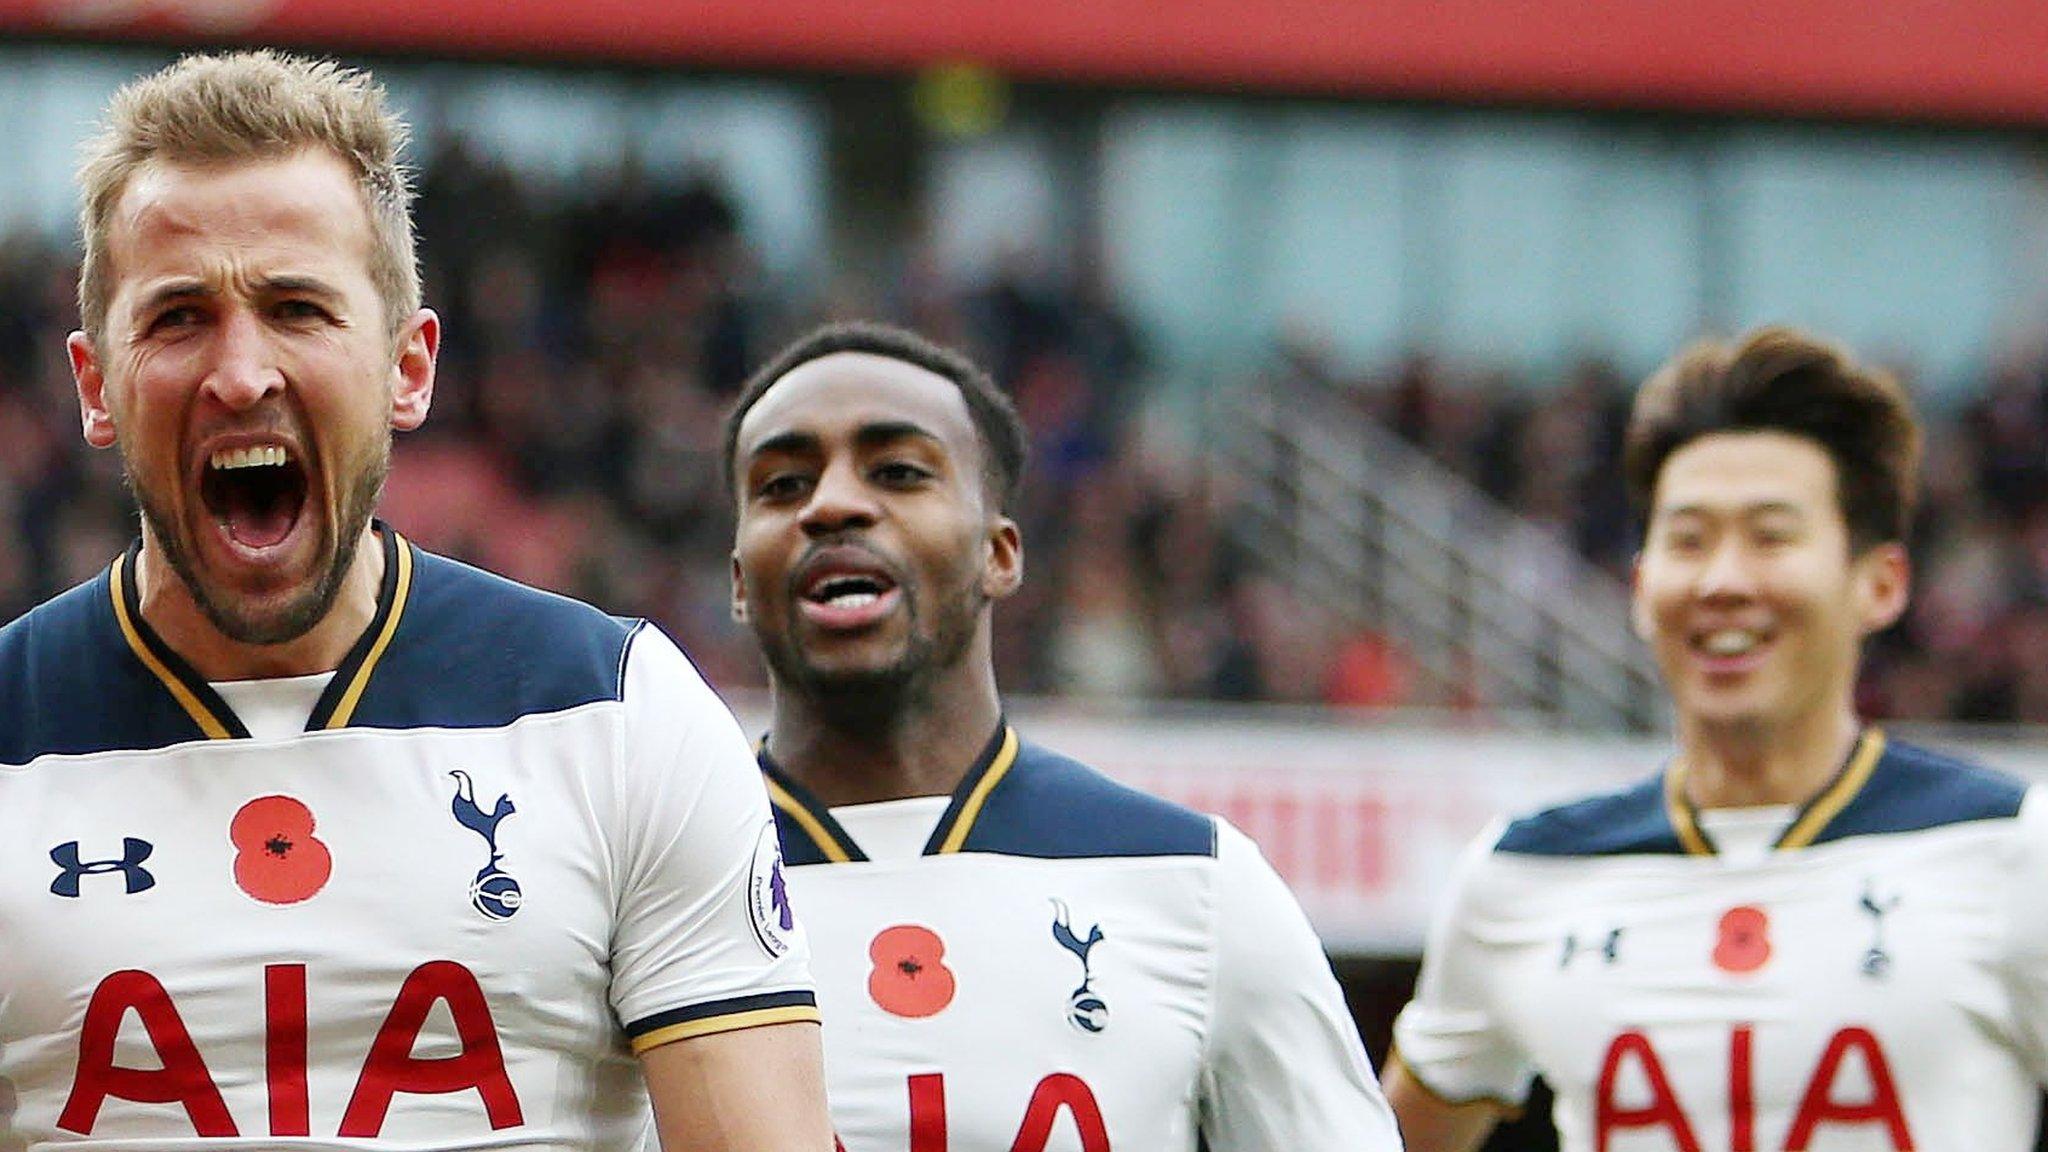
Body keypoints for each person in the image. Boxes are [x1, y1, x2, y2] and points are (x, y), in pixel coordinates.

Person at [0, 51, 832, 1151]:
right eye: (178, 318)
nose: (241, 373)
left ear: (409, 366)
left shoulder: (617, 716)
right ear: (95, 385)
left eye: (297, 308)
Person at [722, 320, 1402, 1150]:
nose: (831, 504)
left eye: (898, 472)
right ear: (738, 581)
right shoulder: (653, 889)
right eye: (783, 485)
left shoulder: (1197, 884)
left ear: (999, 553)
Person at [1384, 326, 2048, 1152]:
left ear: (1879, 584)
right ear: (1640, 586)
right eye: (1689, 540)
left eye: (1772, 535)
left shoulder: (2013, 850)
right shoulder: (1522, 873)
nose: (1723, 581)